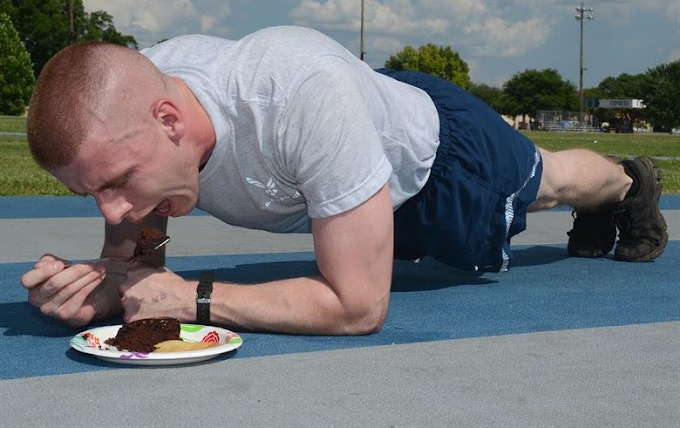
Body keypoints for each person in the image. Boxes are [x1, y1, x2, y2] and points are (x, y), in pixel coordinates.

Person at [20, 26, 668, 335]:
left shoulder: (299, 95)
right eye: (94, 191)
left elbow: (360, 308)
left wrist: (187, 297)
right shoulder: (137, 107)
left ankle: (627, 186)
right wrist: (115, 283)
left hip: (442, 162)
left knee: (548, 180)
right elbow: (139, 251)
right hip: (359, 126)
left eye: (121, 183)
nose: (117, 210)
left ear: (170, 119)